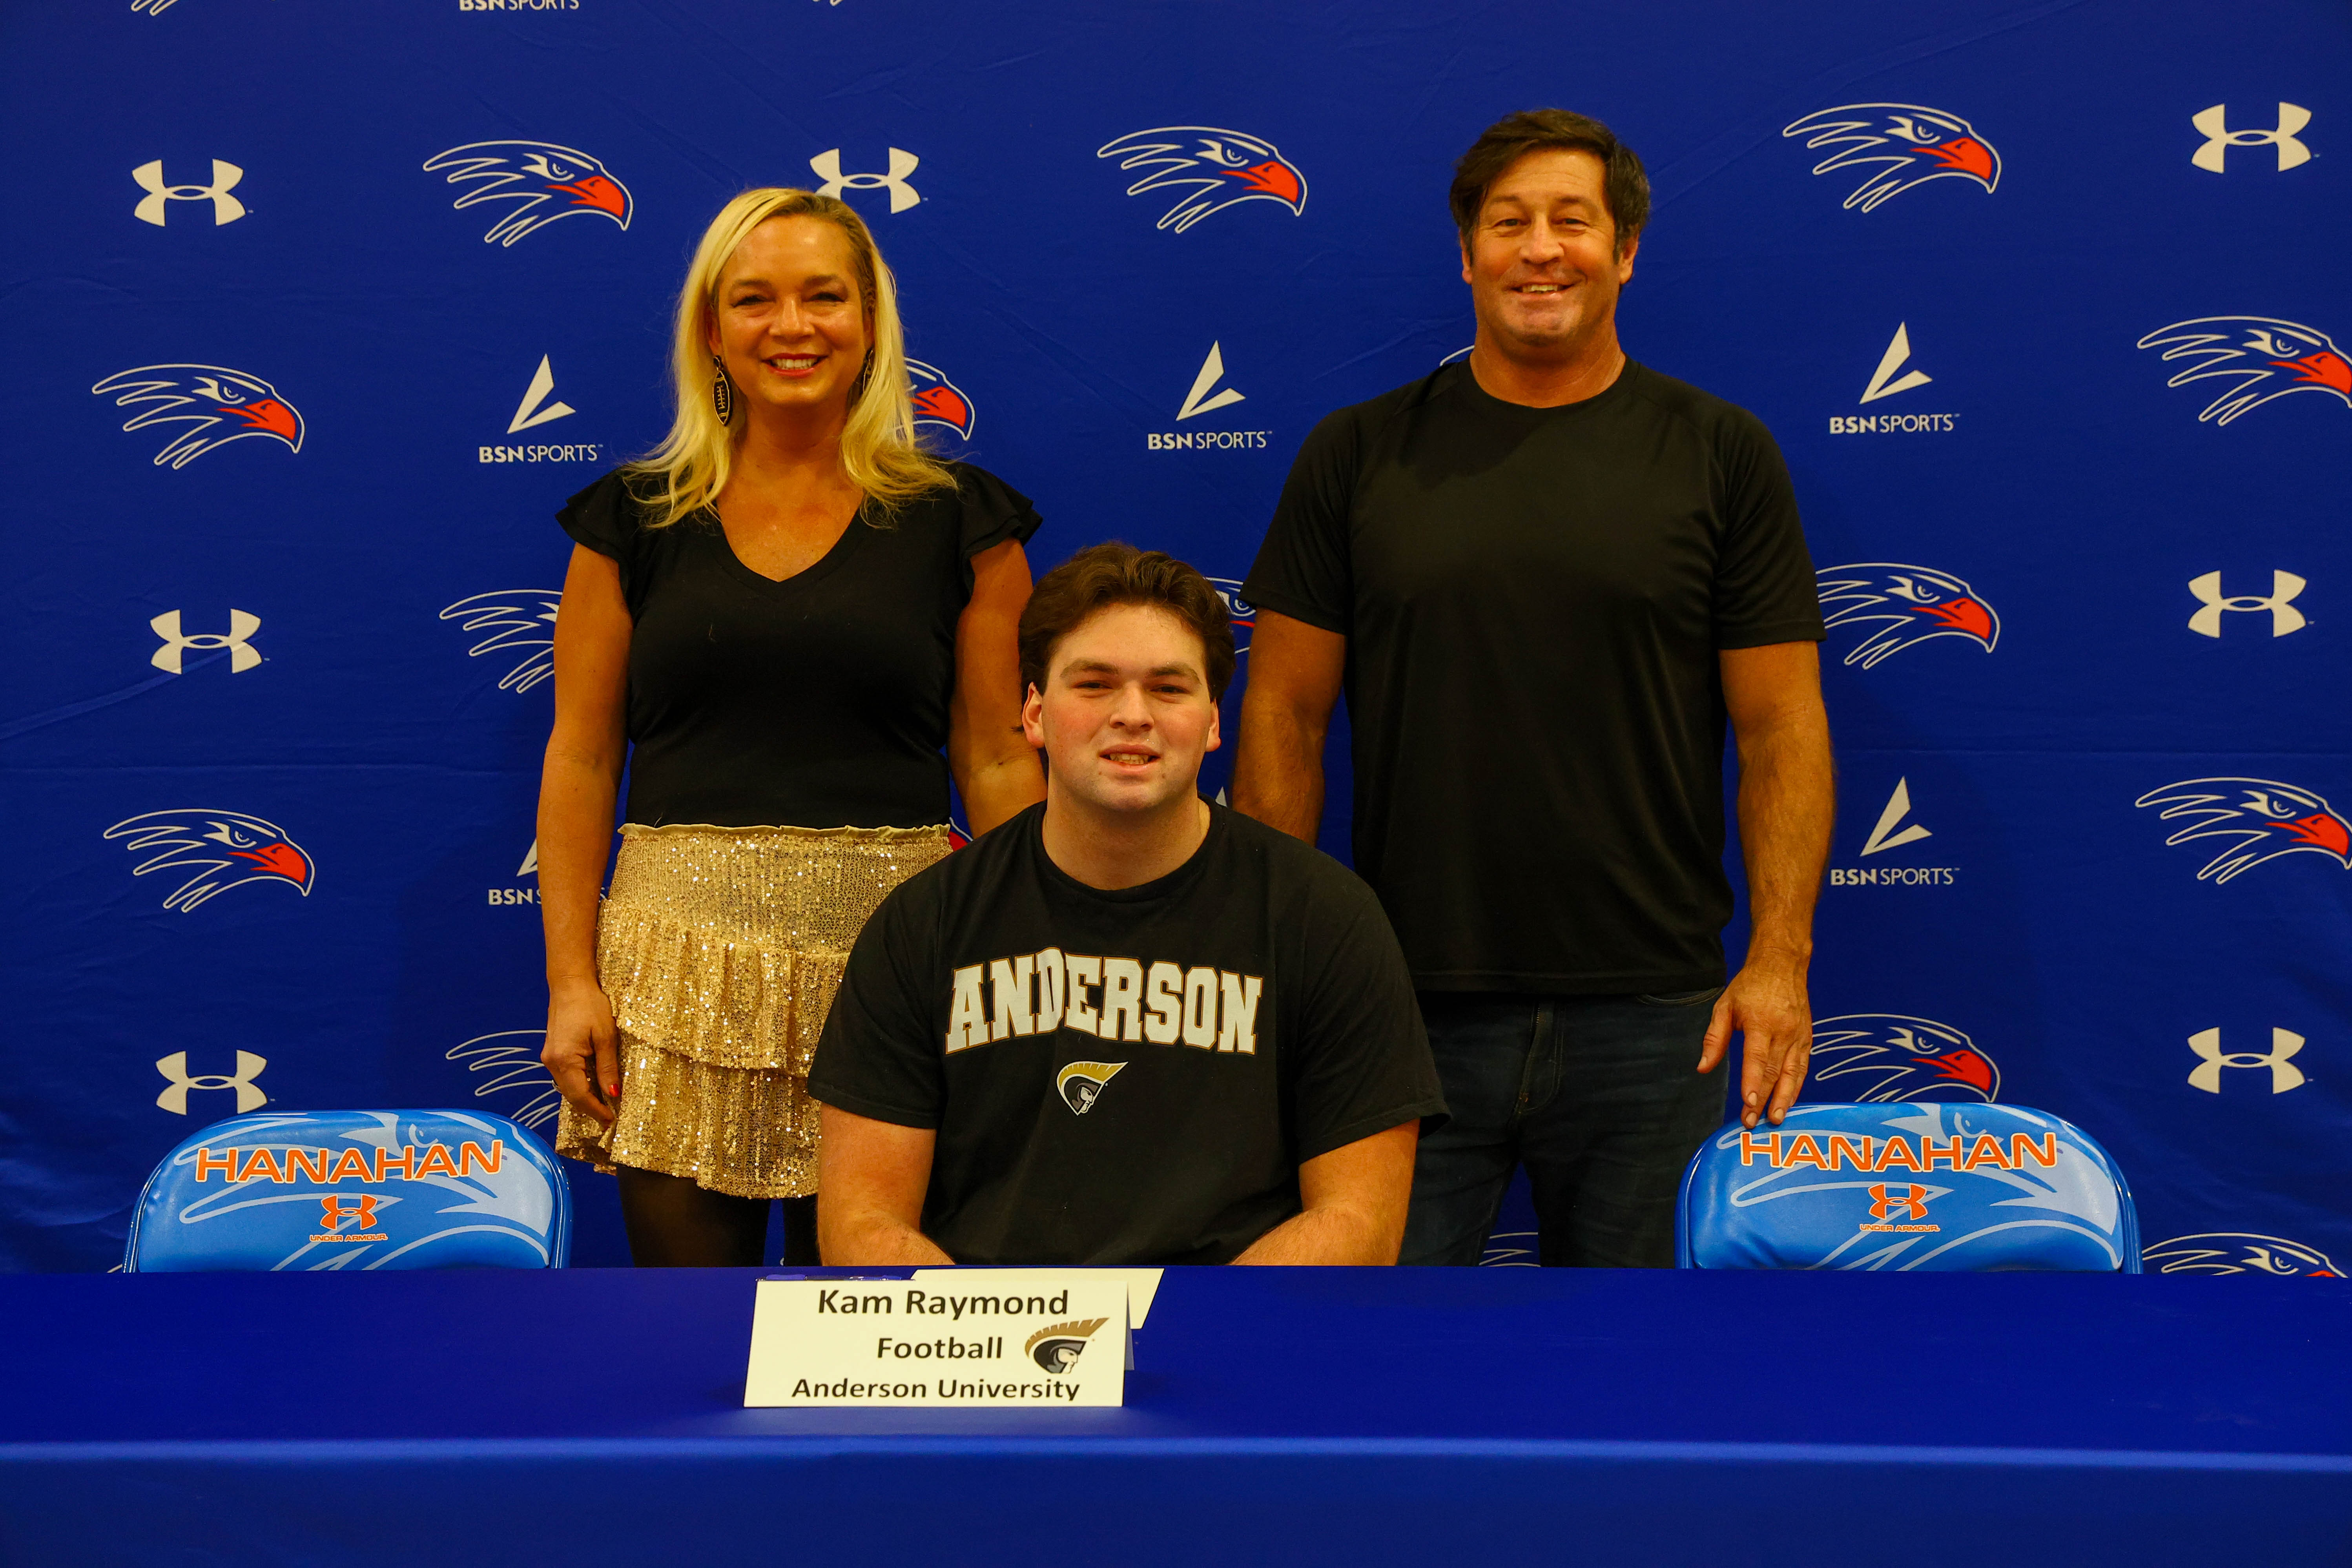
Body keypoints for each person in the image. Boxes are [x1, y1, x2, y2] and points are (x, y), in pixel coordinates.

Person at [1231, 109, 1834, 1269]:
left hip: (1658, 1018)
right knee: (1380, 1348)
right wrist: (1278, 957)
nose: (1541, 249)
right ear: (1467, 254)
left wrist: (1779, 960)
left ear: (1626, 251)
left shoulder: (1721, 454)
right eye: (1509, 223)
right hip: (1401, 1007)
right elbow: (1284, 717)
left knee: (1633, 1364)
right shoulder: (1356, 453)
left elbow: (1781, 727)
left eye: (1573, 221)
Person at [536, 188, 1046, 1267]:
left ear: (871, 321)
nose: (792, 326)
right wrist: (572, 981)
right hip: (677, 974)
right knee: (686, 1338)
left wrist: (1032, 959)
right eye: (755, 299)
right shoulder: (631, 519)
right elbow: (581, 757)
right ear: (712, 330)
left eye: (824, 296)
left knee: (876, 1337)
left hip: (899, 964)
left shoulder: (964, 520)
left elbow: (1000, 758)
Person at [808, 544, 1447, 1266]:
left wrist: (1190, 1324)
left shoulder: (1326, 920)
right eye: (1095, 685)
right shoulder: (923, 924)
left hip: (1230, 1324)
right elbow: (863, 1222)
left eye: (1169, 689)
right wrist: (1003, 1330)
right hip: (992, 1327)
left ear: (1212, 721)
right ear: (1034, 714)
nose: (1132, 715)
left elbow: (1359, 1221)